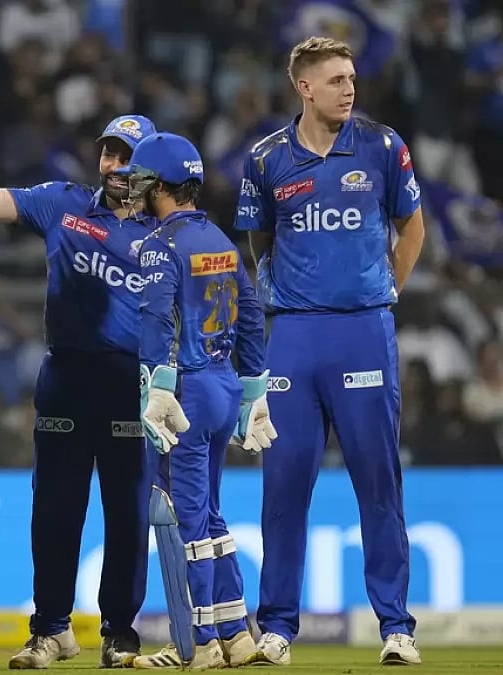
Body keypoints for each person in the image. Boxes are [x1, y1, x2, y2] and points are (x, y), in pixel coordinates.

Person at [0, 98, 156, 668]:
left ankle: (121, 632)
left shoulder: (167, 231)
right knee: (55, 509)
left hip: (131, 380)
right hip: (64, 374)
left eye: (127, 155)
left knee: (128, 513)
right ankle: (52, 629)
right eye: (109, 150)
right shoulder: (63, 202)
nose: (114, 163)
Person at [234, 36, 426, 667]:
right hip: (292, 335)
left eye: (352, 78)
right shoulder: (266, 160)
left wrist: (386, 287)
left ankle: (396, 627)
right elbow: (258, 239)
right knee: (284, 485)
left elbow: (412, 224)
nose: (350, 88)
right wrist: (287, 296)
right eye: (337, 79)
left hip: (363, 330)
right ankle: (278, 628)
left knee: (378, 479)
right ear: (305, 87)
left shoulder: (381, 145)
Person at [117, 132, 273, 670]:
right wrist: (254, 391)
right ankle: (237, 633)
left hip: (184, 389)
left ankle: (198, 644)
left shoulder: (161, 246)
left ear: (160, 184)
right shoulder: (222, 240)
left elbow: (157, 318)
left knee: (185, 521)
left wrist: (157, 387)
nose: (134, 190)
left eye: (140, 181)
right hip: (225, 385)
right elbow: (251, 316)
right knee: (210, 515)